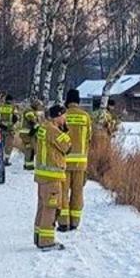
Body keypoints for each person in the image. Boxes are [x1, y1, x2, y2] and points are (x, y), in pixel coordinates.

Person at [30, 104, 72, 250]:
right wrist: (65, 131)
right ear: (58, 116)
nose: (65, 119)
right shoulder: (53, 130)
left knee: (42, 207)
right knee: (51, 208)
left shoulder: (43, 128)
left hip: (42, 175)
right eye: (64, 116)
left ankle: (38, 237)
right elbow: (68, 147)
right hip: (52, 177)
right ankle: (46, 241)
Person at [60, 89, 93, 231]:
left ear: (67, 100)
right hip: (81, 162)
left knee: (63, 192)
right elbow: (89, 138)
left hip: (64, 161)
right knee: (77, 192)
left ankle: (63, 222)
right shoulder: (86, 117)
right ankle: (75, 221)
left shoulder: (63, 116)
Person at [0, 94, 17, 165]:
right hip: (9, 130)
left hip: (0, 129)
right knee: (9, 145)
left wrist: (0, 124)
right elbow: (16, 118)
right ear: (11, 100)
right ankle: (6, 160)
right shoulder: (13, 108)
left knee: (0, 145)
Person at [20, 101, 40, 170]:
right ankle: (29, 166)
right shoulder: (29, 111)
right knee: (29, 149)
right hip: (27, 133)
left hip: (28, 133)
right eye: (38, 105)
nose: (39, 107)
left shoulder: (32, 111)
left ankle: (27, 164)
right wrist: (37, 126)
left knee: (29, 149)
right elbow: (32, 121)